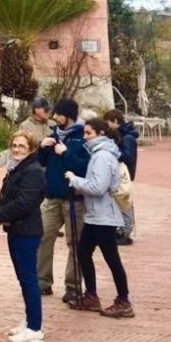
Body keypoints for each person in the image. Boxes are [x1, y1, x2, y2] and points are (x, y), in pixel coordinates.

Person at [65, 118, 134, 318]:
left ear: (101, 133)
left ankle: (123, 300)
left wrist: (74, 180)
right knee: (84, 252)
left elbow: (98, 187)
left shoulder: (103, 155)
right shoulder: (100, 153)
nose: (85, 137)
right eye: (85, 133)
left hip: (104, 216)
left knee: (111, 258)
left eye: (89, 133)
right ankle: (92, 295)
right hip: (96, 215)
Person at [0, 131, 47, 342]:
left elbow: (25, 202)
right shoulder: (18, 167)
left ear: (31, 149)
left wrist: (1, 213)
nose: (16, 149)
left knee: (29, 279)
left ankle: (34, 328)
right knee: (24, 279)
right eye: (14, 145)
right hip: (17, 229)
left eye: (21, 146)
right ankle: (30, 319)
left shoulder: (32, 171)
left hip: (27, 231)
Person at [38, 98, 90, 303]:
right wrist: (42, 148)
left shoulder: (82, 139)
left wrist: (66, 153)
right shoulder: (53, 136)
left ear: (67, 116)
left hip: (73, 199)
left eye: (58, 114)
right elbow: (41, 163)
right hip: (51, 197)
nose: (54, 117)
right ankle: (42, 282)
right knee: (42, 238)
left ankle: (73, 286)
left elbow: (84, 168)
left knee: (75, 243)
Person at [104, 109, 139, 245]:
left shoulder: (127, 138)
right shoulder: (123, 135)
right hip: (121, 174)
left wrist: (114, 150)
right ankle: (121, 229)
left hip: (124, 175)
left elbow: (127, 157)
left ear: (115, 121)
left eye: (108, 123)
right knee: (120, 201)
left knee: (125, 201)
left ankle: (126, 231)